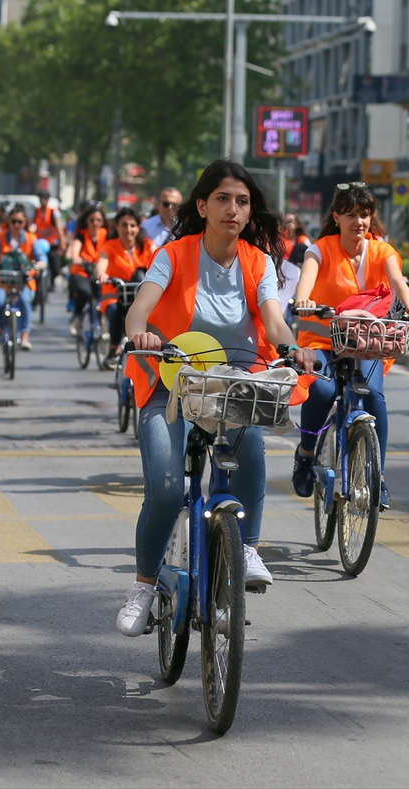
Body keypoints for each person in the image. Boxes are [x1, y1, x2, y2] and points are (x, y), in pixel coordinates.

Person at [117, 160, 314, 636]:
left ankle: (246, 546)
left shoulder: (258, 261)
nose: (232, 209)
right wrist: (140, 333)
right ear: (202, 206)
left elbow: (273, 320)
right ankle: (144, 587)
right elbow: (140, 307)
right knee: (165, 491)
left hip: (234, 383)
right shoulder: (173, 255)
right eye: (222, 199)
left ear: (250, 212)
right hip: (172, 382)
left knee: (249, 447)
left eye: (242, 201)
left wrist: (291, 348)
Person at [290, 182, 409, 510]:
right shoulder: (320, 249)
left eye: (364, 215)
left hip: (368, 344)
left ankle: (377, 476)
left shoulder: (383, 252)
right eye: (350, 215)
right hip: (323, 340)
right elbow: (305, 282)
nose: (358, 222)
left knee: (373, 396)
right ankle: (306, 453)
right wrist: (303, 300)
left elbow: (397, 284)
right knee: (320, 393)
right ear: (336, 217)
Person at [0, 205, 48, 351]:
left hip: (23, 281)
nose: (17, 225)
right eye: (13, 221)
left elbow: (41, 256)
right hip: (2, 280)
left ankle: (25, 336)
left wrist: (41, 263)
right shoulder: (0, 236)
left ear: (25, 222)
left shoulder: (32, 239)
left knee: (25, 301)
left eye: (20, 221)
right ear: (9, 221)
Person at [96, 207, 154, 369]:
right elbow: (101, 264)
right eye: (124, 225)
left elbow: (159, 261)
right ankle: (114, 350)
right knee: (114, 311)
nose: (128, 230)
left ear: (138, 227)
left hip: (139, 294)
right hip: (114, 292)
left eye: (132, 225)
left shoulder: (148, 246)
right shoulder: (109, 246)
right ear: (116, 226)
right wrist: (102, 275)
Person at [66, 203, 107, 335]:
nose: (95, 223)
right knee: (84, 291)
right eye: (92, 220)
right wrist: (76, 258)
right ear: (86, 221)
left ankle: (104, 323)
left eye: (98, 220)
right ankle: (77, 318)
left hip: (100, 272)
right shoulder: (81, 235)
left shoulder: (107, 235)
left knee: (105, 295)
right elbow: (75, 251)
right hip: (81, 271)